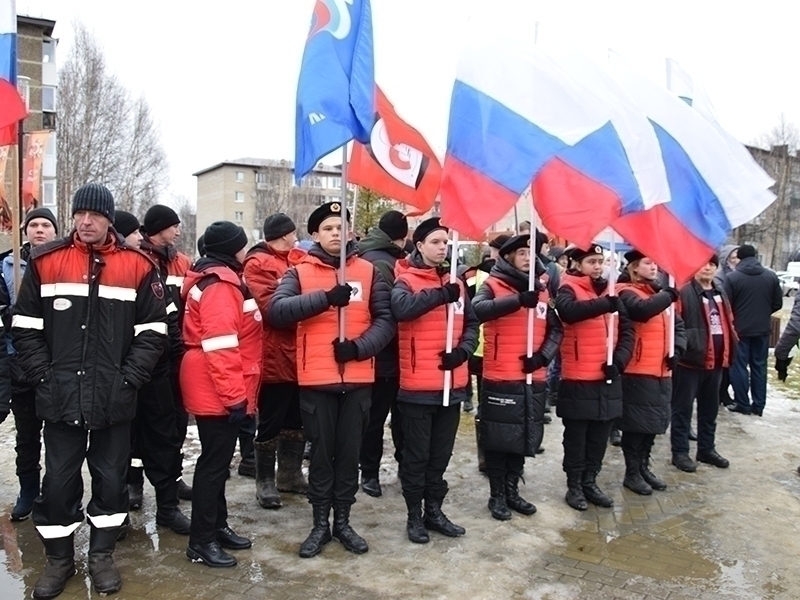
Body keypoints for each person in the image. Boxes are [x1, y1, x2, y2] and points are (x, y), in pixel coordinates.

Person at [13, 183, 168, 597]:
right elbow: (25, 327)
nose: (85, 221)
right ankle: (59, 560)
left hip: (114, 398)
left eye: (94, 215)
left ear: (108, 219)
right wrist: (43, 376)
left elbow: (153, 332)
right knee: (59, 483)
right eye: (80, 214)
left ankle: (101, 556)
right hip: (59, 396)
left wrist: (129, 378)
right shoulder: (47, 262)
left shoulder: (137, 265)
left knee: (111, 482)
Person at [269, 201, 393, 558]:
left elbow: (385, 321)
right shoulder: (298, 272)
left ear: (352, 232)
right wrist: (325, 299)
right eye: (327, 228)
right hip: (317, 382)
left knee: (348, 454)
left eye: (342, 227)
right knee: (322, 455)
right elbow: (278, 312)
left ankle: (344, 522)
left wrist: (357, 349)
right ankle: (320, 523)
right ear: (314, 235)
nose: (336, 233)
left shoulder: (369, 272)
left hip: (356, 380)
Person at [392, 217, 479, 543]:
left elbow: (472, 322)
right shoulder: (406, 279)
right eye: (436, 242)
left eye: (445, 242)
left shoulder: (457, 282)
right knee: (416, 456)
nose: (442, 247)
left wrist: (463, 352)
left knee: (440, 456)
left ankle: (435, 511)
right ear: (420, 245)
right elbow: (402, 309)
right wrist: (439, 295)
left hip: (452, 385)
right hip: (417, 387)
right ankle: (414, 515)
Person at [179, 221, 260, 568]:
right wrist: (234, 397)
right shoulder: (221, 285)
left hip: (215, 381)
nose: (247, 249)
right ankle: (202, 541)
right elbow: (221, 344)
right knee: (214, 465)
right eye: (243, 244)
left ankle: (216, 526)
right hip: (218, 384)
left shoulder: (216, 278)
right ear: (231, 248)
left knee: (216, 462)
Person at [472, 234, 563, 520]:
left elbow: (556, 330)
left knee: (524, 434)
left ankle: (513, 489)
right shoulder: (493, 284)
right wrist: (516, 301)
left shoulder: (542, 290)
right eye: (521, 252)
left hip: (532, 376)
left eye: (531, 252)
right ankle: (497, 494)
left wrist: (543, 357)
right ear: (508, 257)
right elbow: (479, 310)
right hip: (501, 374)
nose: (527, 257)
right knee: (499, 438)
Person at [122, 205, 192, 534]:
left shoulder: (154, 269)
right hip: (119, 372)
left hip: (159, 366)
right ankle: (121, 502)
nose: (139, 236)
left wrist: (175, 352)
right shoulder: (116, 268)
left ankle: (167, 505)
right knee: (122, 441)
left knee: (165, 434)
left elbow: (170, 316)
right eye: (133, 233)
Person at [555, 245, 634, 511]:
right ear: (577, 264)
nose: (598, 266)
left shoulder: (610, 291)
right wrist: (604, 303)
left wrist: (620, 360)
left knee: (600, 435)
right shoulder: (568, 287)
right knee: (577, 436)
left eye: (600, 261)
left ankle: (590, 481)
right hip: (579, 376)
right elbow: (569, 312)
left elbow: (627, 330)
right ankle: (575, 484)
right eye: (592, 261)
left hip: (608, 376)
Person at [242, 213, 307, 509]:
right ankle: (264, 480)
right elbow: (271, 309)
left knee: (296, 417)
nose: (296, 237)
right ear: (284, 234)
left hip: (301, 354)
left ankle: (290, 474)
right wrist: (312, 302)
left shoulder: (298, 258)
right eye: (293, 233)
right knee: (271, 419)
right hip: (273, 354)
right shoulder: (257, 264)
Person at [1, 208, 57, 522]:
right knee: (27, 435)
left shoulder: (63, 263)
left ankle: (57, 492)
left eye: (45, 225)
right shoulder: (7, 266)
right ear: (24, 231)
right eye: (33, 225)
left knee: (60, 437)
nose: (39, 230)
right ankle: (28, 490)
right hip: (19, 362)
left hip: (56, 362)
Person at [617, 251, 686, 495]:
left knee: (652, 425)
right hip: (637, 370)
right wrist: (667, 294)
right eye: (648, 263)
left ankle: (644, 467)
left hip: (661, 370)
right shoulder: (625, 291)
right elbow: (641, 311)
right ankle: (632, 472)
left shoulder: (658, 295)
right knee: (635, 426)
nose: (654, 267)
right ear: (634, 268)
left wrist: (677, 348)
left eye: (655, 263)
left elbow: (678, 325)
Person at [139, 204, 194, 501]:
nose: (178, 230)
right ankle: (134, 483)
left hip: (177, 353)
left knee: (176, 420)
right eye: (173, 225)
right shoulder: (139, 260)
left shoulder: (182, 262)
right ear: (159, 227)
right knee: (144, 424)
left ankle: (174, 480)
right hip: (147, 356)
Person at [356, 209, 408, 497]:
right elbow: (392, 312)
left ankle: (371, 472)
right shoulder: (385, 263)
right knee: (384, 418)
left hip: (376, 352)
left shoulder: (369, 256)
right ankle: (373, 473)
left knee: (375, 418)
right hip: (387, 354)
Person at [671, 256, 736, 473]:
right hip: (691, 361)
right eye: (703, 263)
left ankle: (706, 448)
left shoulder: (720, 291)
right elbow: (676, 324)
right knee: (683, 409)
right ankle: (680, 451)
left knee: (710, 409)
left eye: (712, 264)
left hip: (716, 361)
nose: (707, 268)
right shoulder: (685, 292)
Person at [723, 244, 782, 416]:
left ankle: (742, 403)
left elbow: (727, 305)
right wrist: (763, 313)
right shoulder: (770, 276)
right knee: (759, 367)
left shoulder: (733, 278)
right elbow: (777, 303)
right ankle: (759, 405)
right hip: (762, 330)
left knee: (739, 366)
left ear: (739, 258)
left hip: (739, 330)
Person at [714, 245, 739, 408]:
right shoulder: (720, 278)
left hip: (737, 322)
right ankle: (720, 392)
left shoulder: (738, 275)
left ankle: (724, 391)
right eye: (733, 256)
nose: (736, 259)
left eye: (738, 256)